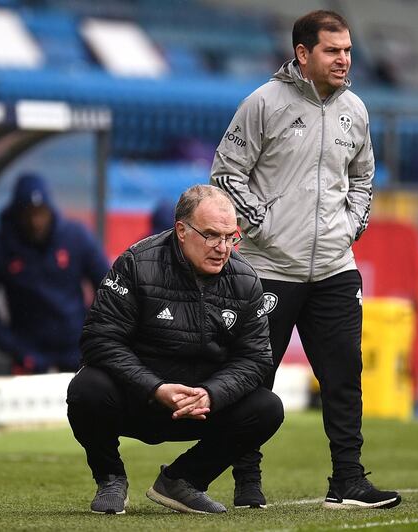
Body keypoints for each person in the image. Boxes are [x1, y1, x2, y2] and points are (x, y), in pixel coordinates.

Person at [210, 10, 401, 510]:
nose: (344, 60)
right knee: (255, 379)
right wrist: (264, 226)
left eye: (348, 51)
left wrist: (352, 224)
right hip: (268, 269)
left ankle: (348, 479)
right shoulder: (262, 104)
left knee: (344, 376)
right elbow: (226, 175)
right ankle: (247, 484)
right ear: (302, 53)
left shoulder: (355, 109)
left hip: (336, 267)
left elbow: (362, 176)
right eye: (333, 50)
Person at [67, 185, 284, 515]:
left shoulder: (246, 280)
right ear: (181, 230)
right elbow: (99, 340)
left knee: (267, 407)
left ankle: (183, 480)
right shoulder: (136, 264)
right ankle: (110, 477)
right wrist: (154, 388)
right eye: (211, 235)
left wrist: (212, 394)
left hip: (201, 407)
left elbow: (256, 359)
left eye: (230, 236)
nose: (222, 247)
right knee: (86, 389)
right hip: (139, 399)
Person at [0, 173, 109, 374]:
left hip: (76, 347)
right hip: (28, 353)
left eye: (40, 213)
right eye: (28, 214)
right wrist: (13, 346)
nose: (35, 222)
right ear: (16, 213)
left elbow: (109, 286)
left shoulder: (75, 237)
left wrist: (94, 334)